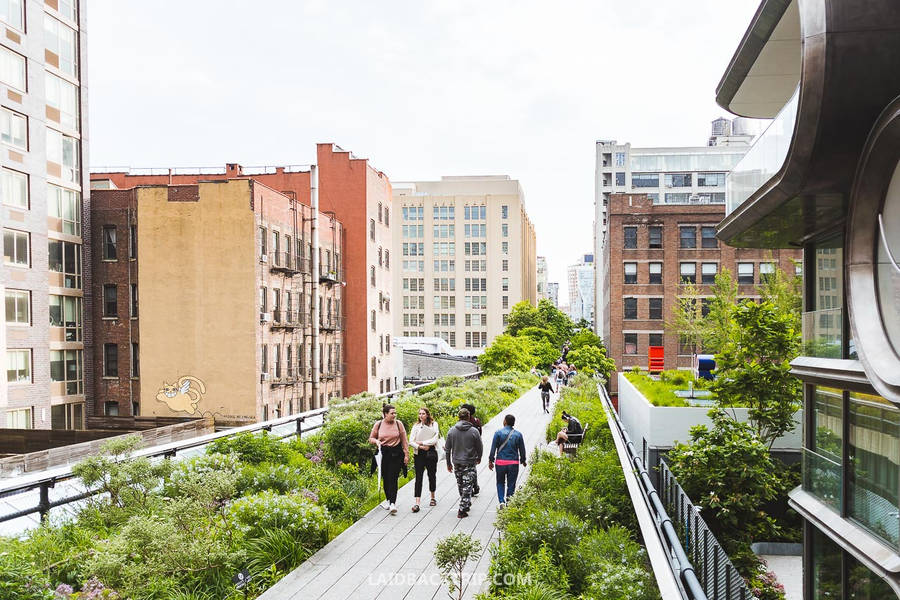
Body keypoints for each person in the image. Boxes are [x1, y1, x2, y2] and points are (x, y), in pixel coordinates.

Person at [368, 404, 409, 515]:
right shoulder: (379, 424)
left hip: (396, 454)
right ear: (385, 414)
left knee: (393, 478)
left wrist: (406, 455)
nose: (394, 415)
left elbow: (404, 440)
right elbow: (371, 438)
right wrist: (376, 441)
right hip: (383, 454)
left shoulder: (398, 424)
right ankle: (388, 499)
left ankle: (392, 503)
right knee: (385, 478)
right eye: (392, 413)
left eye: (395, 413)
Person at [445, 407, 483, 518]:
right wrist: (479, 457)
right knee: (468, 484)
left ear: (458, 417)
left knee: (461, 483)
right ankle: (462, 509)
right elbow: (479, 446)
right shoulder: (474, 431)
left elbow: (447, 449)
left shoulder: (451, 431)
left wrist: (448, 463)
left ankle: (465, 502)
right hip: (469, 461)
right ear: (468, 417)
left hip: (456, 461)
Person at [488, 414, 527, 507]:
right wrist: (523, 460)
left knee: (500, 482)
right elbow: (522, 449)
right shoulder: (518, 434)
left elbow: (493, 448)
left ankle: (501, 501)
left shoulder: (498, 433)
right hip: (513, 462)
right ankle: (509, 500)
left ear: (505, 421)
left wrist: (491, 460)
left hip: (500, 462)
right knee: (511, 483)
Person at [408, 407, 440, 513]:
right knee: (419, 477)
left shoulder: (434, 424)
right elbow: (411, 441)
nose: (421, 415)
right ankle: (417, 502)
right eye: (419, 414)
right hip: (419, 453)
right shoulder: (416, 426)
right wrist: (420, 447)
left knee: (432, 474)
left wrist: (422, 442)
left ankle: (432, 497)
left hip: (431, 452)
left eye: (423, 413)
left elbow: (435, 438)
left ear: (427, 414)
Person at [459, 403, 483, 496]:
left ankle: (470, 487)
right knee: (472, 469)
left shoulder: (459, 424)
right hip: (473, 449)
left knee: (465, 470)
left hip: (462, 449)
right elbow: (479, 435)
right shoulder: (476, 421)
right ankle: (474, 485)